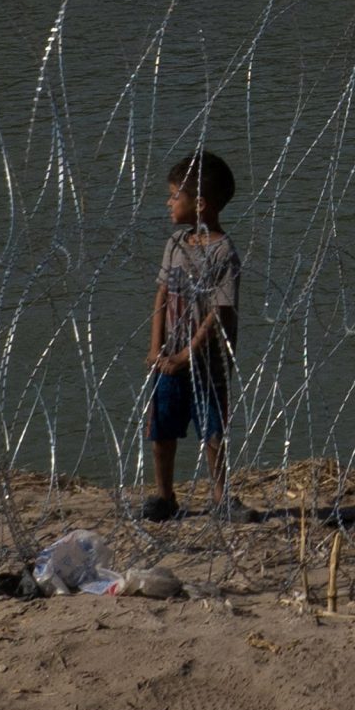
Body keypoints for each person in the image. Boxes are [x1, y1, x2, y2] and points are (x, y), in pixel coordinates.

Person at [143, 149, 245, 523]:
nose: (169, 203)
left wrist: (187, 354)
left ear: (199, 204)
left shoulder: (224, 253)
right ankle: (164, 496)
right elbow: (161, 295)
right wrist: (156, 348)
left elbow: (219, 313)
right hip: (167, 359)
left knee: (213, 430)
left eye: (175, 196)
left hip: (208, 359)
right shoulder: (175, 244)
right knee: (161, 431)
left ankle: (221, 498)